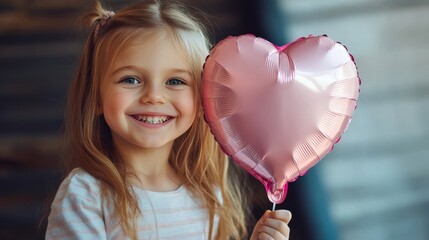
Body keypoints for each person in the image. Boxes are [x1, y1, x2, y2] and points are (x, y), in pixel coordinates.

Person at [45, 0, 292, 239]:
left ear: (201, 101)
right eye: (130, 79)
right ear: (95, 96)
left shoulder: (206, 195)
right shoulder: (85, 195)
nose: (154, 96)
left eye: (175, 81)